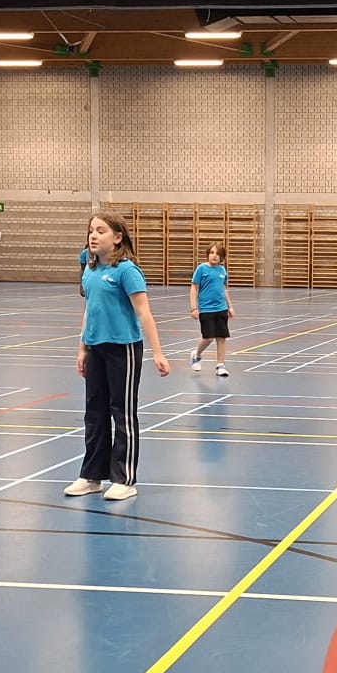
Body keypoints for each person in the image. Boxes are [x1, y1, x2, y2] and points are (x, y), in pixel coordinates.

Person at [65, 211, 171, 501]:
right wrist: (82, 348)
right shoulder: (89, 269)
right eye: (91, 230)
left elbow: (144, 312)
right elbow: (89, 309)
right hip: (95, 348)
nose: (93, 235)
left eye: (101, 230)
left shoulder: (127, 270)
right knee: (94, 413)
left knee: (122, 412)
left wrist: (158, 352)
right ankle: (92, 476)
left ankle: (124, 478)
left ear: (117, 238)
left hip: (123, 348)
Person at [189, 240, 234, 376]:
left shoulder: (222, 270)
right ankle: (196, 354)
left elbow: (224, 289)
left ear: (222, 257)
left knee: (221, 337)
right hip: (206, 309)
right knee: (208, 338)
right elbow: (194, 288)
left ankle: (221, 365)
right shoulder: (201, 269)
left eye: (217, 254)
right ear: (208, 254)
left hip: (221, 308)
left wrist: (230, 306)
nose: (214, 255)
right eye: (212, 253)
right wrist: (193, 308)